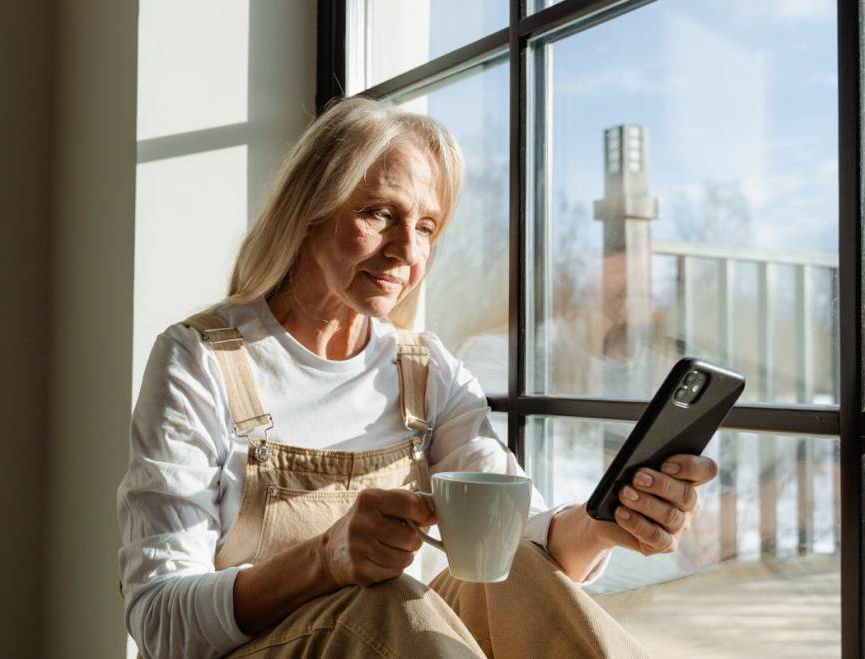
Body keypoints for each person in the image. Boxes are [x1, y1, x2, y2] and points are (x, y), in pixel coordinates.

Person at [117, 97, 717, 659]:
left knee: (518, 568)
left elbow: (518, 531)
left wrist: (605, 522)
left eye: (427, 226)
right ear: (308, 211)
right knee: (390, 604)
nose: (407, 250)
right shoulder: (200, 360)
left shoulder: (424, 369)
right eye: (379, 213)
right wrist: (323, 560)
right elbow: (159, 621)